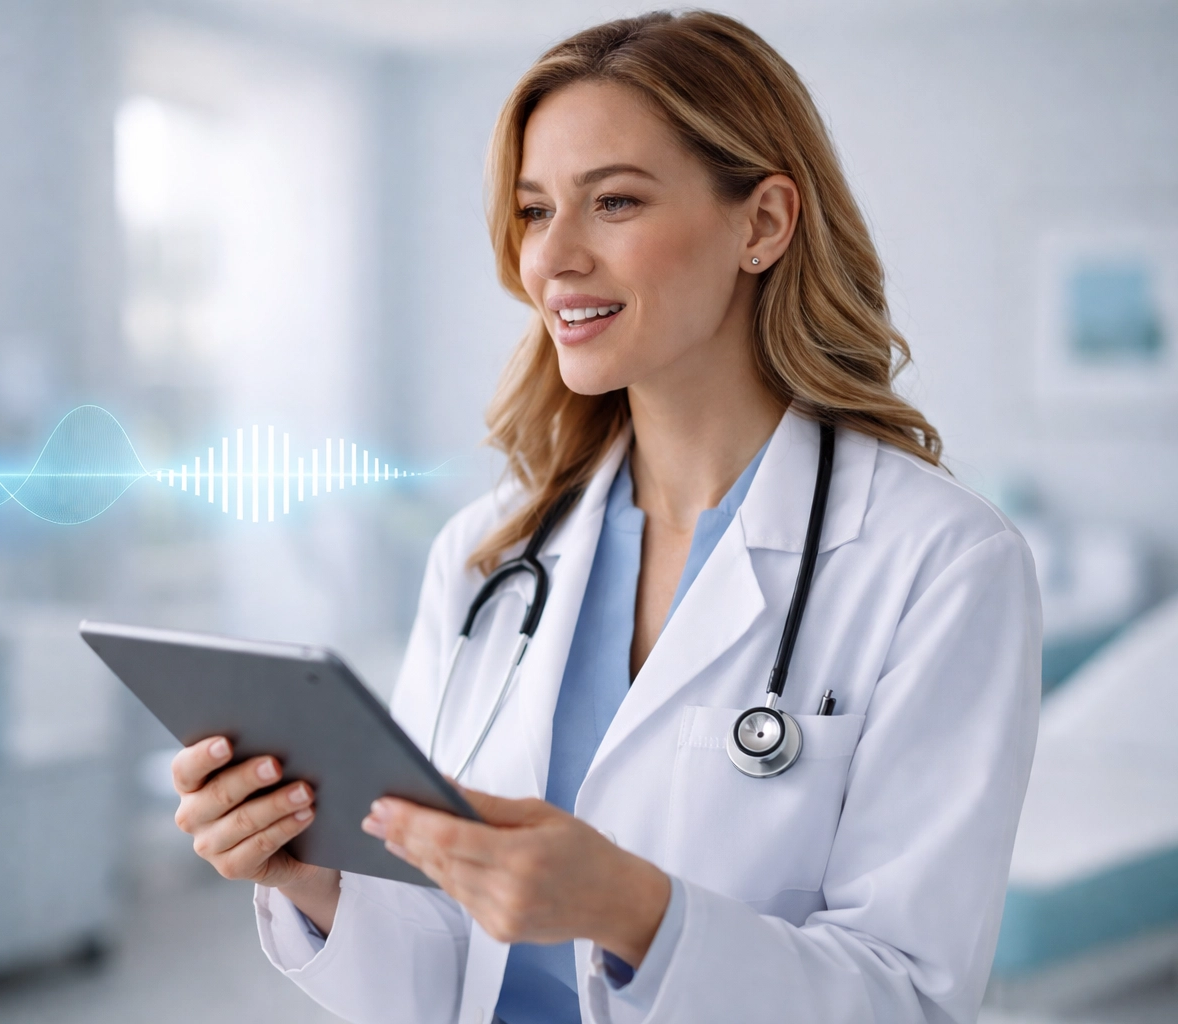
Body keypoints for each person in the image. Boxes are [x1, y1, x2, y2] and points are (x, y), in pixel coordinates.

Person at [169, 11, 1040, 1024]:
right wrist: (312, 878)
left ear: (762, 224)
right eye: (534, 211)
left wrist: (634, 913)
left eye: (614, 201)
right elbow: (443, 949)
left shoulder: (940, 563)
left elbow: (910, 998)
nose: (553, 258)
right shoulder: (487, 556)